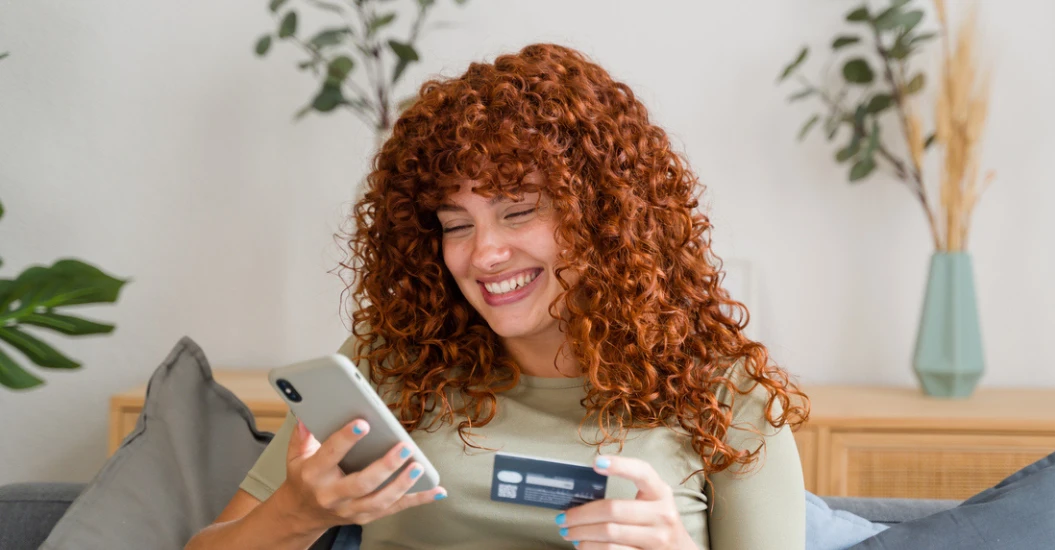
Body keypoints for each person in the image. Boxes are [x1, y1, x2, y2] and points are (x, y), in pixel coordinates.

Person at [186, 43, 810, 550]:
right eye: (456, 224)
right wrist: (296, 513)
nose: (482, 254)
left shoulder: (730, 398)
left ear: (605, 218)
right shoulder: (393, 359)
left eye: (519, 212)